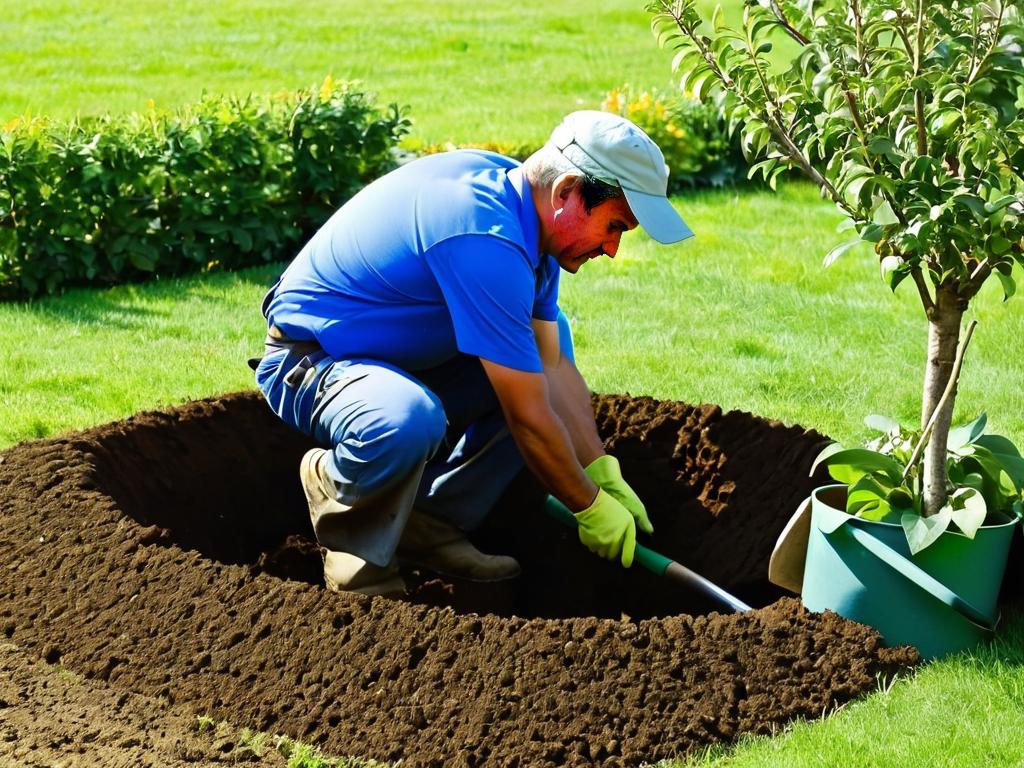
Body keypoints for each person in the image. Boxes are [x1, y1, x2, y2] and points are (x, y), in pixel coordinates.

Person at [253, 110, 693, 596]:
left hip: (399, 359)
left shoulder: (528, 217)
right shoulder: (485, 236)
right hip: (314, 361)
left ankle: (425, 523)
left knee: (540, 349)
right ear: (567, 191)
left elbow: (552, 366)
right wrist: (587, 506)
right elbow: (528, 415)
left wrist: (598, 469)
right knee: (408, 420)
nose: (612, 249)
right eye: (614, 226)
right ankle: (349, 525)